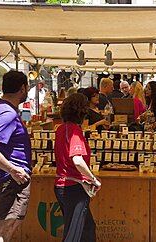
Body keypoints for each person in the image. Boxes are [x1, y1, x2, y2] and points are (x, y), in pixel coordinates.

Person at [0, 71, 31, 242]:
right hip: (11, 180)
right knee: (4, 230)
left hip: (9, 179)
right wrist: (13, 169)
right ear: (23, 88)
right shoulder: (7, 113)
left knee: (4, 228)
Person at [54, 93, 101, 242]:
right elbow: (78, 160)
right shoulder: (74, 131)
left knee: (86, 229)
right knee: (74, 234)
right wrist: (93, 179)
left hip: (64, 184)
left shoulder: (61, 129)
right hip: (73, 187)